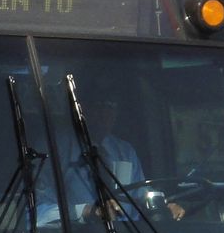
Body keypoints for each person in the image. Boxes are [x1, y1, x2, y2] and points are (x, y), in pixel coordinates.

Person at [36, 96, 184, 225]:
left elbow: (140, 194)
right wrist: (87, 212)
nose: (105, 113)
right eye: (99, 105)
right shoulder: (52, 150)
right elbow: (37, 213)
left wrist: (163, 205)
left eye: (111, 106)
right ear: (81, 108)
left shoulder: (125, 151)